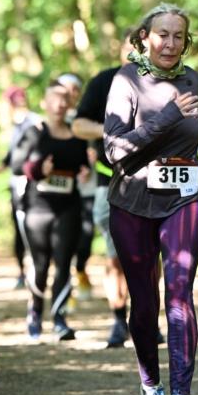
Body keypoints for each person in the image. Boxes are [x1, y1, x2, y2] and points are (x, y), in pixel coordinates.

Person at [104, 3, 198, 395]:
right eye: (162, 35)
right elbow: (115, 150)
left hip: (185, 196)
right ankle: (152, 385)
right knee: (145, 300)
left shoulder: (196, 81)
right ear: (144, 38)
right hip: (133, 200)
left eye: (178, 36)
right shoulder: (126, 81)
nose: (170, 43)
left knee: (179, 291)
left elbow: (194, 136)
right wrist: (169, 115)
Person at [11, 80, 90, 343]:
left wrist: (85, 170)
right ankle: (35, 313)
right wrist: (37, 170)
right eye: (54, 100)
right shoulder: (35, 133)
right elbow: (15, 165)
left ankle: (59, 319)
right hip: (37, 208)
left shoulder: (78, 136)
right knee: (41, 265)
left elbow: (83, 164)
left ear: (71, 104)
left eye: (65, 100)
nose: (60, 105)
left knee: (64, 264)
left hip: (68, 207)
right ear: (44, 104)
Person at [72, 28, 135, 346]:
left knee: (150, 261)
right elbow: (79, 124)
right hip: (108, 179)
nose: (136, 51)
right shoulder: (104, 82)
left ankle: (147, 319)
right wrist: (109, 131)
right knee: (115, 257)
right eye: (131, 45)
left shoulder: (165, 83)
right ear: (121, 49)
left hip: (152, 183)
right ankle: (118, 319)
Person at [0, 86, 42, 289]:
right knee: (18, 229)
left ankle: (37, 268)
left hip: (34, 183)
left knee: (33, 226)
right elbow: (11, 156)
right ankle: (22, 271)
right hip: (16, 183)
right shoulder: (15, 127)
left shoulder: (36, 121)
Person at [58, 73, 96, 301]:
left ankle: (80, 268)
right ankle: (66, 288)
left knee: (86, 237)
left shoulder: (88, 116)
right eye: (66, 88)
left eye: (75, 89)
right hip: (63, 191)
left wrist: (89, 165)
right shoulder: (52, 122)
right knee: (63, 240)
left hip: (88, 188)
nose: (70, 93)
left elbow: (96, 147)